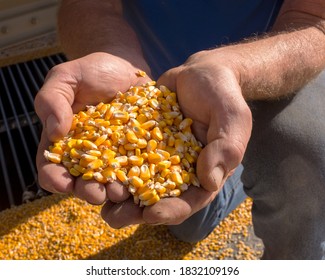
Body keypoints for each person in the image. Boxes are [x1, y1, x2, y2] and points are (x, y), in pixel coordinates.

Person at [34, 0, 325, 259]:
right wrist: (113, 51)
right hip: (148, 81)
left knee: (307, 159)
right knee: (183, 222)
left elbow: (314, 22)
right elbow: (86, 5)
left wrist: (234, 69)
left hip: (265, 66)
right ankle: (230, 162)